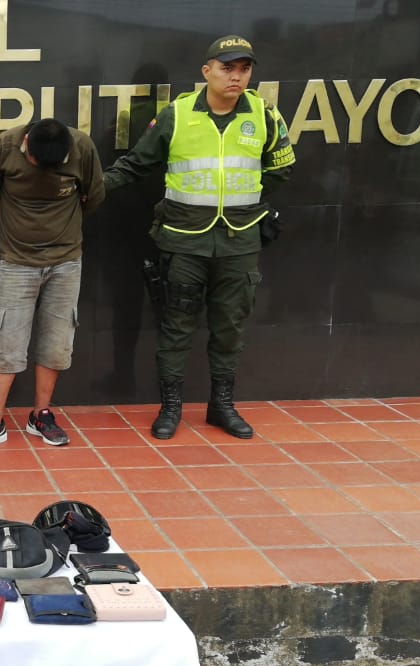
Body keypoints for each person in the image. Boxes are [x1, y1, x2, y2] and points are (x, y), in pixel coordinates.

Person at [104, 35, 295, 440]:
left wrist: (247, 206)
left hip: (239, 241)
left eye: (244, 68)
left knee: (230, 328)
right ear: (207, 71)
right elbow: (136, 164)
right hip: (184, 239)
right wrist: (92, 187)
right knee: (176, 327)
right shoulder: (177, 114)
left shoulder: (263, 114)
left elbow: (281, 168)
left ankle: (221, 406)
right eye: (227, 68)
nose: (236, 76)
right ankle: (171, 408)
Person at [0, 117, 105, 453]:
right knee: (7, 341)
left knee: (57, 341)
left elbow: (94, 196)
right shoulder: (5, 146)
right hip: (17, 261)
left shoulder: (82, 147)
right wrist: (13, 226)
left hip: (66, 261)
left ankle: (41, 415)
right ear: (26, 143)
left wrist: (64, 228)